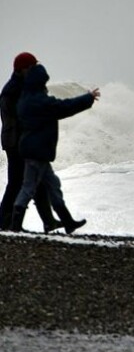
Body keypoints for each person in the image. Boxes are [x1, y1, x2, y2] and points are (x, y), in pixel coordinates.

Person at [9, 62, 100, 233]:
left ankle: (68, 222)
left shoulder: (25, 99)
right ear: (39, 82)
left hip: (33, 150)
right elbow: (64, 107)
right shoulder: (39, 101)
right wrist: (88, 98)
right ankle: (15, 225)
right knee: (29, 187)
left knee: (53, 185)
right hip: (37, 152)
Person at [0, 52, 62, 232]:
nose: (35, 69)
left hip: (20, 141)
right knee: (17, 182)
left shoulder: (20, 87)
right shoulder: (14, 89)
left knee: (36, 180)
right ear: (23, 69)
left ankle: (48, 221)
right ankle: (5, 221)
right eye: (32, 67)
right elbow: (20, 117)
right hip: (17, 143)